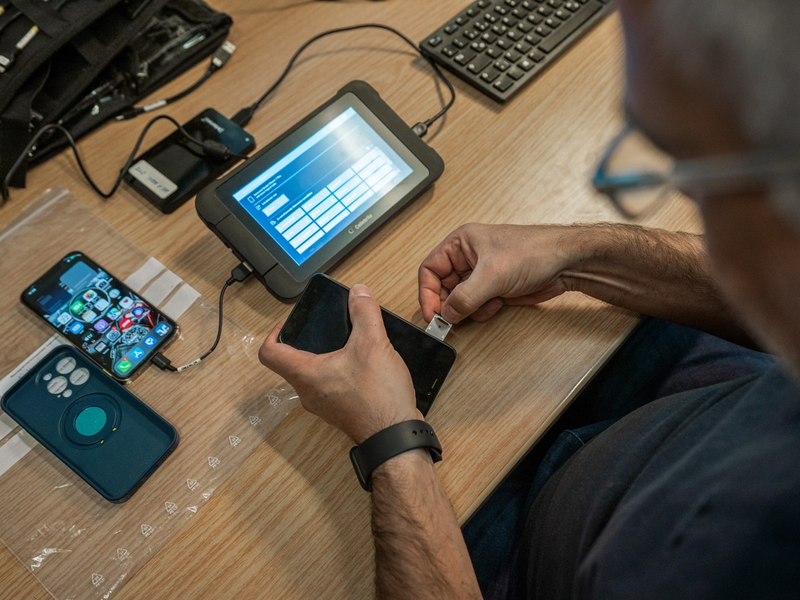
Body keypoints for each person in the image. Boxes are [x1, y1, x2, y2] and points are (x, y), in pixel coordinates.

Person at [258, 0, 800, 597]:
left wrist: (390, 438)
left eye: (682, 162)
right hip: (695, 418)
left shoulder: (741, 561)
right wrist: (576, 255)